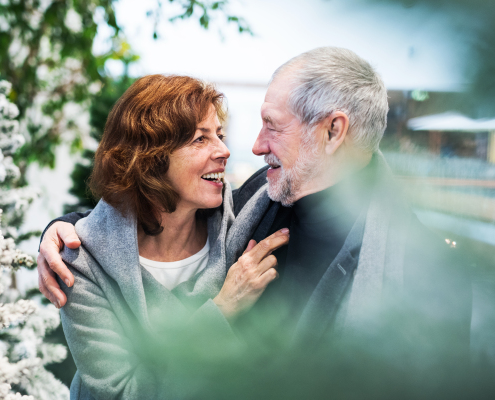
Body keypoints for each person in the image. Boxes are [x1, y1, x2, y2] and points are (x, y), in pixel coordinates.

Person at [39, 48, 471, 358]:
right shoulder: (253, 203)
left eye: (272, 126)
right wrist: (67, 229)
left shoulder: (429, 275)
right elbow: (152, 205)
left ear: (333, 132)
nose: (254, 145)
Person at [52, 74, 290, 399]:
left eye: (219, 135)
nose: (224, 150)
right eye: (200, 139)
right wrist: (221, 311)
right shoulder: (81, 264)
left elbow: (326, 165)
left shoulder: (239, 220)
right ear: (149, 158)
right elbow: (123, 392)